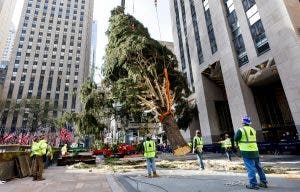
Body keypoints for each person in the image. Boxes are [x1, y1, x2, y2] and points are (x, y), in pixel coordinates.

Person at [234, 116, 268, 190]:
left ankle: (253, 184)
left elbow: (236, 138)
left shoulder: (241, 130)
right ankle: (263, 182)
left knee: (250, 168)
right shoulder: (253, 129)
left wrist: (237, 145)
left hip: (246, 152)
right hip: (255, 151)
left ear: (243, 122)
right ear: (249, 123)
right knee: (259, 167)